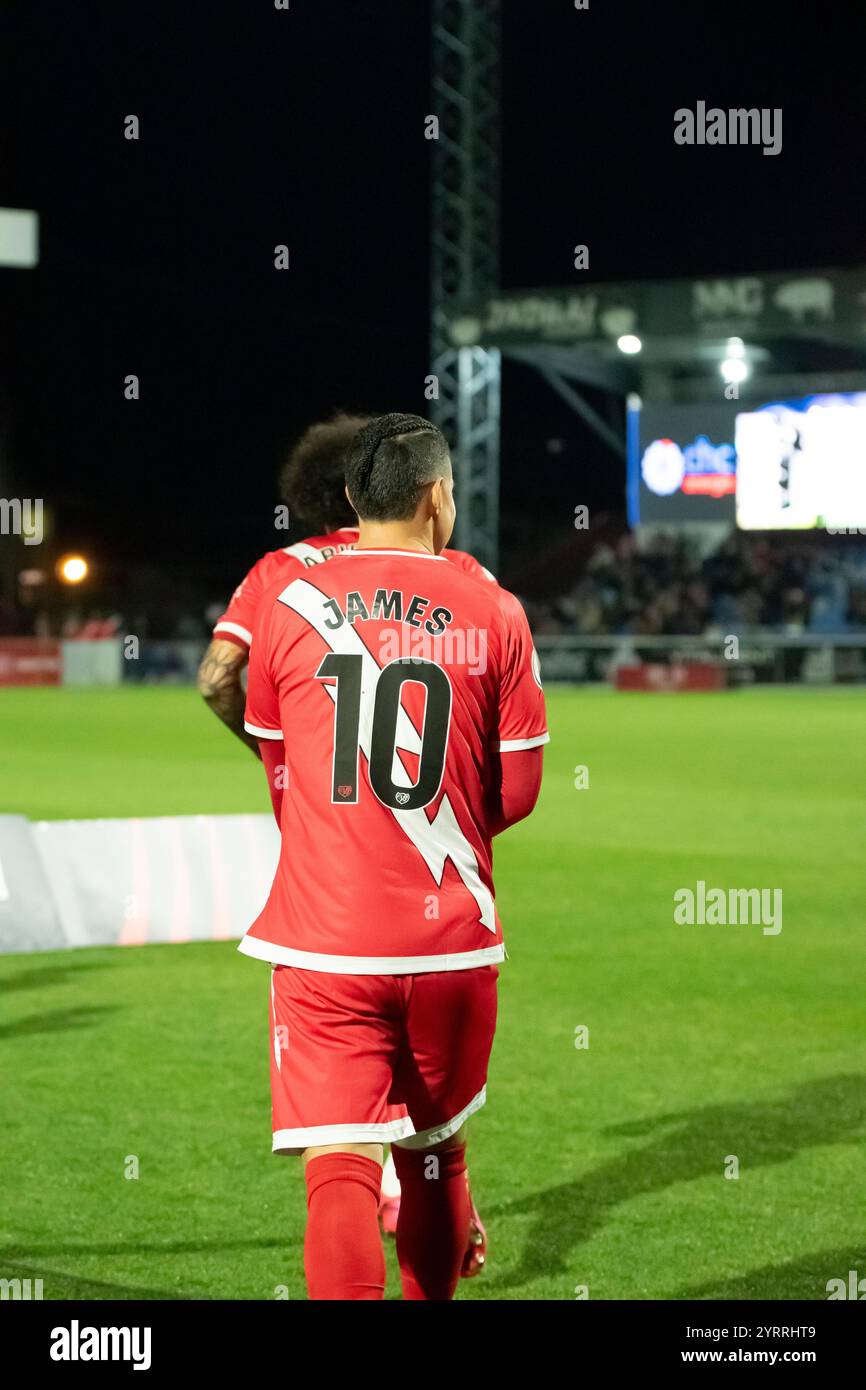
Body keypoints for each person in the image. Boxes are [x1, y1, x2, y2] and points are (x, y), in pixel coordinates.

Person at [240, 413, 547, 1299]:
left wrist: (349, 837)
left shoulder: (291, 598)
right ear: (437, 494)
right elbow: (517, 794)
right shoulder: (492, 604)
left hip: (322, 942)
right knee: (434, 1157)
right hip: (450, 941)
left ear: (348, 499)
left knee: (337, 1161)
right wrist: (438, 827)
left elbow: (283, 776)